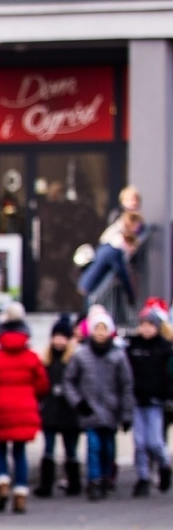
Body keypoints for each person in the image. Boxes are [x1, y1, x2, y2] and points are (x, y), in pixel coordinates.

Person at [0, 302, 48, 514]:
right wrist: (32, 397)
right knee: (19, 451)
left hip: (0, 406)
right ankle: (21, 492)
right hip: (25, 407)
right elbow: (42, 384)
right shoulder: (31, 356)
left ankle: (2, 480)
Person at [64, 307, 135, 501]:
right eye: (97, 329)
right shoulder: (81, 354)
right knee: (93, 446)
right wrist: (78, 402)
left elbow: (126, 385)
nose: (100, 333)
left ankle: (106, 476)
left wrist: (127, 414)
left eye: (104, 329)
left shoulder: (118, 356)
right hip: (89, 410)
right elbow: (69, 381)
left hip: (111, 410)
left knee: (108, 447)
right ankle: (94, 480)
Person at [124, 298, 173, 496]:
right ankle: (143, 477)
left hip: (155, 400)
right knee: (140, 442)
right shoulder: (132, 347)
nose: (146, 329)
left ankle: (164, 465)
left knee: (155, 441)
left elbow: (169, 376)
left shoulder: (164, 348)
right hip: (136, 400)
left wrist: (168, 397)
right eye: (143, 325)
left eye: (150, 325)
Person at [36, 315, 82, 498]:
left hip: (69, 411)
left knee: (70, 449)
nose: (59, 341)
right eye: (56, 336)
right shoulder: (45, 359)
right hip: (50, 410)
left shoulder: (75, 359)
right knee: (48, 448)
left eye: (63, 337)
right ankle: (45, 484)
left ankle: (74, 482)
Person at [78, 209, 142, 300]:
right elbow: (122, 273)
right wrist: (131, 296)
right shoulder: (115, 252)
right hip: (90, 289)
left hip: (87, 286)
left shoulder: (110, 247)